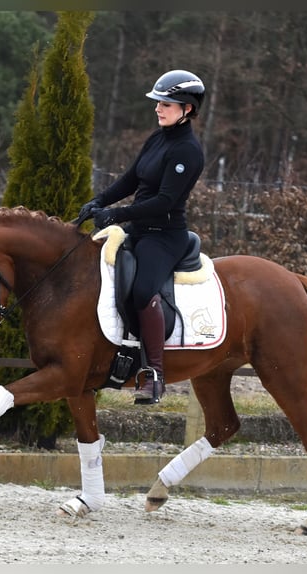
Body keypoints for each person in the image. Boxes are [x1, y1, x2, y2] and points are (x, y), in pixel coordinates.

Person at [80, 69, 205, 405]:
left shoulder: (188, 151)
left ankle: (154, 373)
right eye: (158, 102)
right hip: (138, 229)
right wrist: (98, 202)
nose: (158, 108)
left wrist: (117, 215)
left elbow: (164, 201)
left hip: (165, 236)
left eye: (166, 103)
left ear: (187, 109)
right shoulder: (157, 139)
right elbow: (130, 180)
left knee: (142, 290)